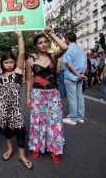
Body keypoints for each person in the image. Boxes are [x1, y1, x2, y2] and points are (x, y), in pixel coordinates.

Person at [26, 27, 67, 164]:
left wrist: (51, 34)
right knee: (38, 122)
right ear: (35, 46)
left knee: (54, 122)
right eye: (40, 43)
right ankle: (36, 147)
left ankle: (54, 149)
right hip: (38, 95)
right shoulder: (31, 60)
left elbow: (64, 47)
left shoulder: (53, 56)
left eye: (45, 42)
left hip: (53, 94)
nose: (44, 44)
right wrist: (28, 97)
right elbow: (29, 80)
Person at [0, 30, 33, 170]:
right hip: (3, 109)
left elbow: (22, 53)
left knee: (20, 132)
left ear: (14, 62)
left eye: (11, 62)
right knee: (7, 132)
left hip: (16, 110)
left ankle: (22, 155)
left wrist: (19, 35)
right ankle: (10, 149)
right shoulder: (1, 76)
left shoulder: (17, 73)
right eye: (6, 62)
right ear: (2, 63)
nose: (9, 64)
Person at [62, 32, 88, 125]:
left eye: (65, 39)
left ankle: (73, 118)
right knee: (80, 96)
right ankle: (80, 116)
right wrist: (82, 74)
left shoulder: (68, 49)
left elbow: (69, 64)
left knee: (72, 98)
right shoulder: (81, 50)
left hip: (71, 76)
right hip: (80, 76)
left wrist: (77, 74)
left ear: (68, 39)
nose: (64, 40)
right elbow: (86, 64)